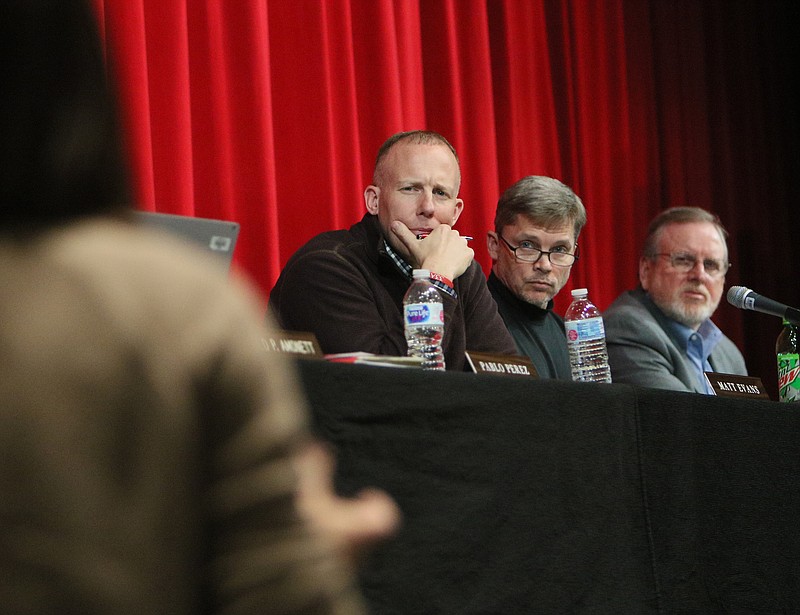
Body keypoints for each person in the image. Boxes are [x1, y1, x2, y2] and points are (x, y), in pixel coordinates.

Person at [0, 1, 398, 613]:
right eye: (416, 188)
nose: (431, 207)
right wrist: (306, 554)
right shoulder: (184, 308)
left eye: (445, 193)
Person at [269, 130, 517, 370]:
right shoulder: (324, 267)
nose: (427, 207)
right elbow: (387, 388)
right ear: (374, 201)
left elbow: (508, 380)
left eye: (440, 193)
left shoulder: (461, 269)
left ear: (455, 212)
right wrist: (435, 280)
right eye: (411, 188)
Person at [603, 207, 747, 393]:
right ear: (646, 270)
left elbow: (751, 420)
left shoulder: (728, 352)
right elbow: (681, 418)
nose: (699, 275)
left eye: (711, 265)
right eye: (683, 260)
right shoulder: (627, 329)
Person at [486, 176, 587, 379]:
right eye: (528, 245)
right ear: (494, 246)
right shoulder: (476, 323)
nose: (545, 265)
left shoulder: (570, 336)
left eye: (559, 249)